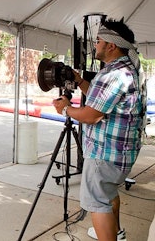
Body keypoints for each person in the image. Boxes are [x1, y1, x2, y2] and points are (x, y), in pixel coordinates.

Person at [53, 18, 144, 241]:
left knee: (97, 201)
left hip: (105, 154)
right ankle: (117, 233)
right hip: (118, 154)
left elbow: (92, 115)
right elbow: (99, 96)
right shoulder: (123, 69)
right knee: (108, 193)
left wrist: (66, 109)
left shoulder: (114, 74)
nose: (95, 45)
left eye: (98, 41)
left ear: (111, 45)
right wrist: (79, 80)